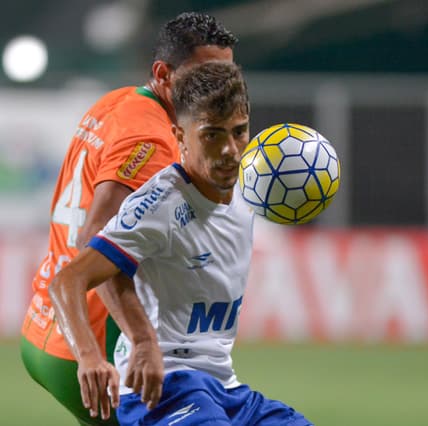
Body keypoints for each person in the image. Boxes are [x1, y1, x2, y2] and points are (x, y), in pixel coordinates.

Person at [48, 61, 313, 426]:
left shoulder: (250, 186)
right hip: (164, 390)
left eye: (239, 132)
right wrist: (91, 357)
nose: (230, 150)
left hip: (225, 387)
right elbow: (67, 281)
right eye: (212, 135)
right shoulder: (160, 204)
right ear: (179, 135)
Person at [21, 12, 237, 425]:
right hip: (92, 345)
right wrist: (139, 341)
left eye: (225, 76)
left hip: (45, 328)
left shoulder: (119, 102)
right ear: (164, 74)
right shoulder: (149, 138)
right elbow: (97, 238)